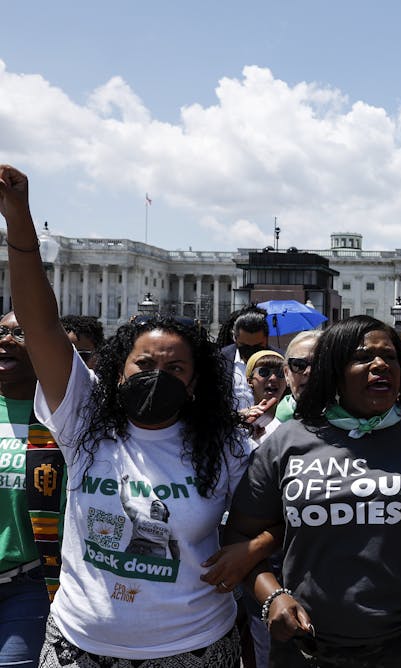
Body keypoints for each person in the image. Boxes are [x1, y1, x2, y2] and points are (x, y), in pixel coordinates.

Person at [4, 164, 251, 665]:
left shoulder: (225, 443)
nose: (158, 376)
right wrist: (19, 224)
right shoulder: (84, 417)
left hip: (192, 644)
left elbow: (270, 516)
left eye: (175, 368)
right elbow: (41, 325)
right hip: (81, 644)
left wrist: (257, 545)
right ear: (117, 370)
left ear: (196, 382)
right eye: (145, 364)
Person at [227, 316, 401, 667]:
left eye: (390, 357)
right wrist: (272, 596)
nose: (380, 365)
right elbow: (239, 535)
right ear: (333, 370)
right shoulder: (287, 442)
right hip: (309, 646)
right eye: (363, 357)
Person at [0, 311, 65, 668]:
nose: (6, 340)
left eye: (21, 333)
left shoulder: (61, 416)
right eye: (1, 331)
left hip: (30, 580)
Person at [219, 308, 274, 411]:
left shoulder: (280, 360)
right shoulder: (220, 359)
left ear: (266, 339)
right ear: (235, 338)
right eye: (245, 347)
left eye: (257, 346)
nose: (251, 352)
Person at [275, 330, 320, 423]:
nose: (309, 371)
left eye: (318, 364)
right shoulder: (269, 426)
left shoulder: (347, 424)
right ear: (286, 374)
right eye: (299, 364)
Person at [240, 350, 286, 442]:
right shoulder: (239, 421)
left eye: (280, 373)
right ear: (250, 381)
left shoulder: (294, 421)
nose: (273, 378)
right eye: (264, 372)